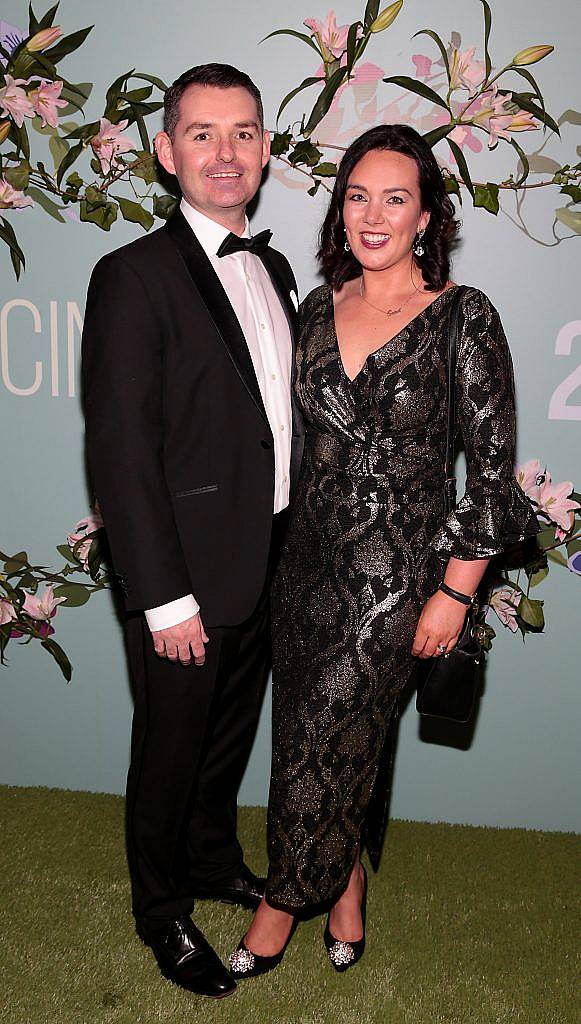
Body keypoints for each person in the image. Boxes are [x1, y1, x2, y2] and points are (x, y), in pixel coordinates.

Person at [228, 124, 539, 980]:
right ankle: (346, 885)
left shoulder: (461, 316)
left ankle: (279, 902)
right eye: (356, 195)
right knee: (318, 729)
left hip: (399, 579)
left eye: (394, 198)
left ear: (427, 215)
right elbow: (276, 442)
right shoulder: (315, 311)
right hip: (302, 569)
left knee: (320, 736)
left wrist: (455, 593)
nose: (373, 214)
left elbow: (491, 469)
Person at [81, 63, 303, 999]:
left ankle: (211, 858)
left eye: (244, 132)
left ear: (264, 151)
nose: (226, 152)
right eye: (203, 134)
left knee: (227, 739)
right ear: (167, 152)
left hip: (268, 558)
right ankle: (160, 909)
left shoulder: (278, 268)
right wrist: (163, 597)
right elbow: (122, 450)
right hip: (183, 577)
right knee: (168, 752)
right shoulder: (131, 275)